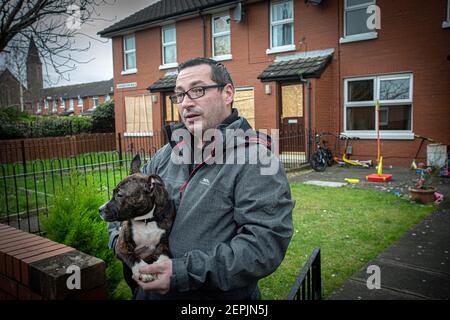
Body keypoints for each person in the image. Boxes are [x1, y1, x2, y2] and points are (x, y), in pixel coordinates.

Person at [108, 57, 294, 300]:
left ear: (227, 93)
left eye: (197, 90)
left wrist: (181, 274)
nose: (185, 103)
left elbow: (263, 245)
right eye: (180, 95)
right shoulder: (165, 155)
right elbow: (120, 208)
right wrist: (122, 245)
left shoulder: (256, 160)